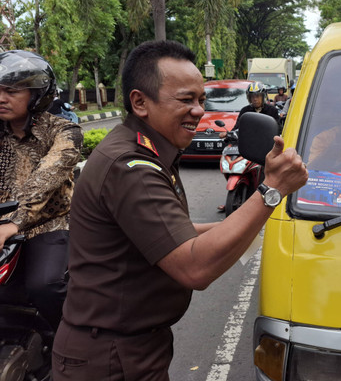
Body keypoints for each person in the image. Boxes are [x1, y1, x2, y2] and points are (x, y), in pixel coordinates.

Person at [52, 40, 308, 381]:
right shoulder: (131, 167)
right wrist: (271, 190)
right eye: (186, 100)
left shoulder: (147, 150)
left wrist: (245, 226)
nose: (199, 111)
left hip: (131, 348)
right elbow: (194, 267)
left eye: (201, 100)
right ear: (140, 102)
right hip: (111, 358)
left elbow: (174, 234)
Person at [0, 50, 83, 331]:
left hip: (48, 224)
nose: (1, 98)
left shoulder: (64, 131)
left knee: (44, 285)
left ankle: (73, 341)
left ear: (37, 94)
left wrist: (14, 222)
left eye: (11, 91)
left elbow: (47, 176)